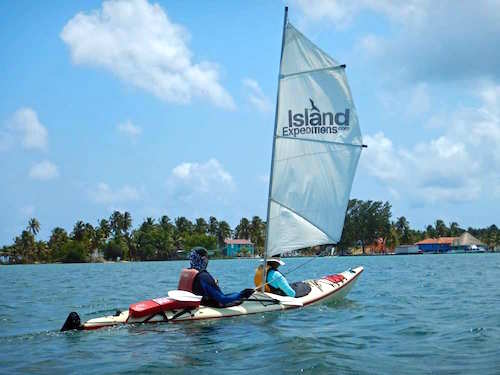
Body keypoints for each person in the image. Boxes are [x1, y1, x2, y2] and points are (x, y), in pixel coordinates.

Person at [189, 248, 254, 308]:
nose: (208, 260)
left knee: (231, 295)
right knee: (238, 296)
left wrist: (213, 283)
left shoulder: (188, 272)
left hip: (196, 303)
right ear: (203, 259)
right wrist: (242, 294)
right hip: (209, 305)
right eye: (207, 258)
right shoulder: (203, 276)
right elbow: (222, 299)